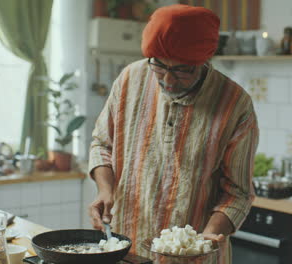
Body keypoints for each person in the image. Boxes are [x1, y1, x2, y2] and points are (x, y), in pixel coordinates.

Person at [88, 4, 259, 264]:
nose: (168, 80)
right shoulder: (129, 80)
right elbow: (102, 144)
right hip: (126, 249)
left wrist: (208, 236)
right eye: (158, 66)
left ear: (205, 60)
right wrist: (104, 189)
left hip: (192, 257)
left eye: (182, 70)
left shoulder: (235, 104)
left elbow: (238, 192)